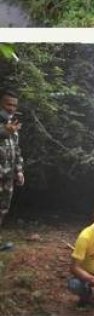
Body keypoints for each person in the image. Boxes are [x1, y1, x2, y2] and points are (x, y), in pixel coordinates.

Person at [0, 90, 24, 251]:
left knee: (3, 208)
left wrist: (19, 170)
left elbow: (16, 149)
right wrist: (3, 132)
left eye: (14, 105)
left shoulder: (13, 123)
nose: (12, 108)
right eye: (9, 104)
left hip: (8, 175)